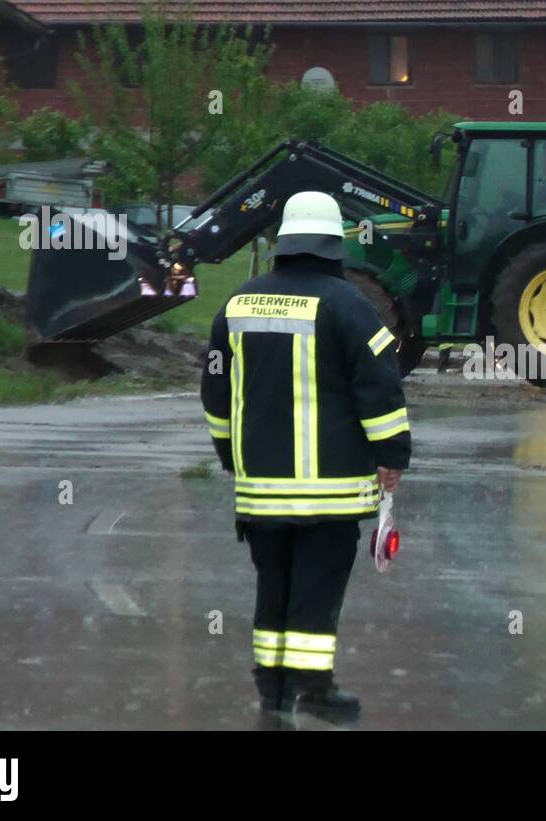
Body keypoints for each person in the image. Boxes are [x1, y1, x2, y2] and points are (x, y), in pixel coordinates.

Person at [201, 191, 411, 721]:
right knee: (314, 598)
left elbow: (215, 392)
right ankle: (313, 691)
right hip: (330, 493)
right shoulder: (350, 307)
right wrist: (391, 455)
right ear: (333, 245)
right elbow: (380, 389)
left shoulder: (238, 304)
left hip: (259, 492)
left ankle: (272, 694)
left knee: (273, 590)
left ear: (282, 244)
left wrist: (230, 454)